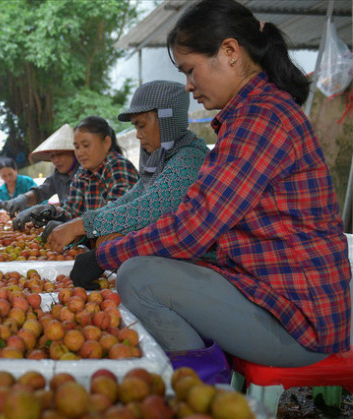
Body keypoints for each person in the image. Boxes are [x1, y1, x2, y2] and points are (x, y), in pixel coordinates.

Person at [70, 0, 351, 367]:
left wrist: (103, 255)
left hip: (299, 318)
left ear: (230, 52)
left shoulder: (260, 120)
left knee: (139, 277)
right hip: (272, 294)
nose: (188, 86)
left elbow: (190, 228)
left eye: (190, 70)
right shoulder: (251, 116)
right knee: (144, 265)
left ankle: (203, 393)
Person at [47, 81, 209, 252]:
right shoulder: (163, 160)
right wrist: (77, 224)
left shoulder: (189, 159)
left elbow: (149, 208)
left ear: (166, 120)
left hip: (203, 261)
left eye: (142, 126)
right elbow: (129, 199)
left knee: (109, 241)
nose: (138, 135)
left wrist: (82, 226)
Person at [13, 116, 139, 238]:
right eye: (77, 147)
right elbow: (72, 212)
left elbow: (115, 216)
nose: (80, 152)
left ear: (106, 142)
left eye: (86, 145)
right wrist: (46, 211)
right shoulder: (82, 173)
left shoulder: (118, 167)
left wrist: (74, 228)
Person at [6, 124, 79, 226]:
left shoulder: (85, 175)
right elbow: (41, 192)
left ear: (74, 153)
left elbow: (82, 213)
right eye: (52, 156)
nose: (55, 160)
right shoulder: (58, 175)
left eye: (60, 154)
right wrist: (24, 198)